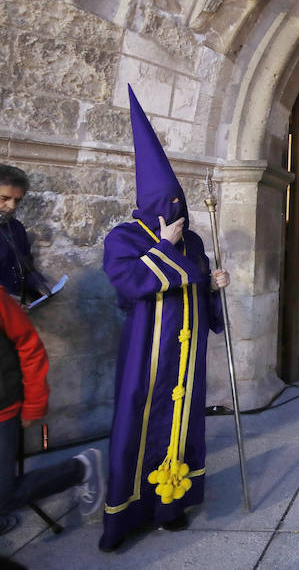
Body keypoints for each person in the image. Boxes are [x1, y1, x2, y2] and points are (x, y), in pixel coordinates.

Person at [99, 87, 229, 551]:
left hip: (187, 356)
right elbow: (129, 284)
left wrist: (211, 284)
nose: (177, 213)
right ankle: (128, 512)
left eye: (181, 204)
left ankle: (173, 505)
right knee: (142, 423)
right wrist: (165, 249)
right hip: (147, 356)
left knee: (184, 423)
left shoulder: (192, 241)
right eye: (167, 205)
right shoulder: (125, 239)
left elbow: (193, 290)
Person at [0, 286, 104, 533]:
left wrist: (34, 403)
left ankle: (82, 468)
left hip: (3, 407)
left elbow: (29, 345)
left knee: (3, 496)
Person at [0, 165, 50, 305]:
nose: (12, 206)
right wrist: (9, 302)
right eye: (5, 198)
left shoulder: (16, 228)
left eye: (17, 200)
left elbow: (26, 266)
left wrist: (40, 285)